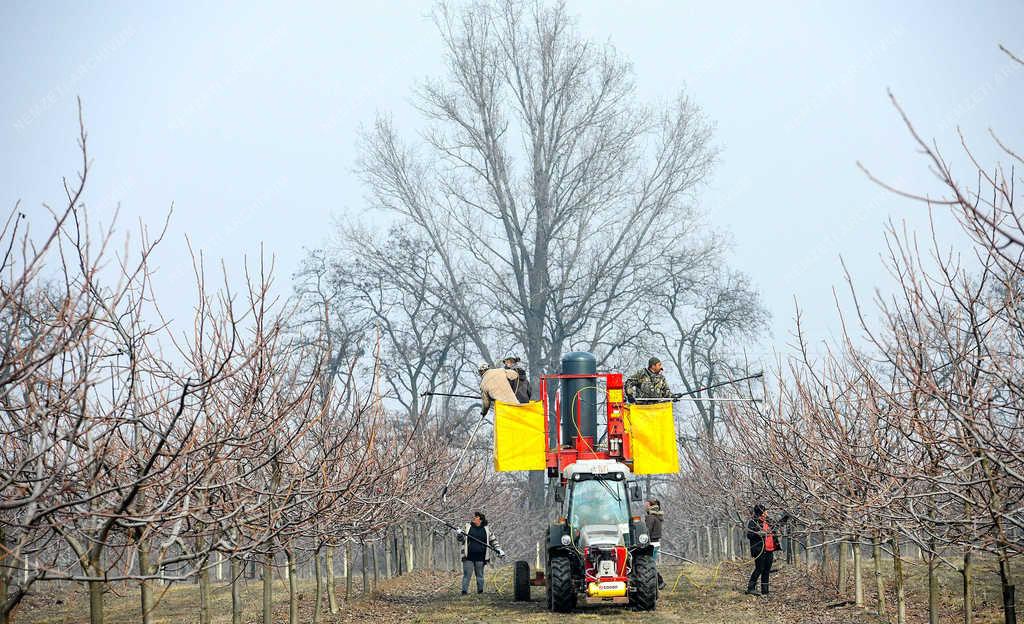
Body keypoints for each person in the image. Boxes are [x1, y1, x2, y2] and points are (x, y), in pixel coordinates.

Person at [457, 511, 504, 594]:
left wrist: (499, 549)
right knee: (467, 575)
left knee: (480, 575)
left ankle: (480, 591)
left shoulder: (487, 530)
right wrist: (460, 534)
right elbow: (461, 539)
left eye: (476, 517)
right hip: (468, 556)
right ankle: (464, 591)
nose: (474, 518)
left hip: (481, 557)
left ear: (481, 519)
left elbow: (493, 541)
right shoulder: (467, 527)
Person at [745, 503, 782, 596]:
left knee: (766, 570)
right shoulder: (753, 522)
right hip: (759, 550)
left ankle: (765, 591)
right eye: (765, 511)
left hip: (770, 549)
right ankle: (750, 588)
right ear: (761, 512)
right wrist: (758, 534)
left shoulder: (769, 521)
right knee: (759, 569)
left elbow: (778, 525)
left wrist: (787, 517)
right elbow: (749, 535)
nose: (766, 512)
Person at [645, 498, 666, 589]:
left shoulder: (650, 517)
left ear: (650, 506)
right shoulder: (657, 516)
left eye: (646, 504)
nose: (644, 506)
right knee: (651, 564)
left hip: (651, 544)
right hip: (656, 543)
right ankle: (659, 582)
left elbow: (647, 531)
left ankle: (660, 582)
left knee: (649, 565)